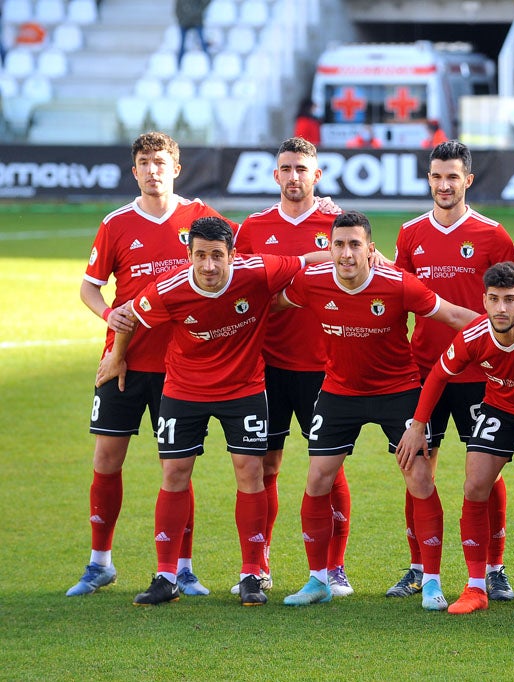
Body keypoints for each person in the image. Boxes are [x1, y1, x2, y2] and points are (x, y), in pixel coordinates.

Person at [96, 216, 329, 606]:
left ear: (233, 255)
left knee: (250, 471)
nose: (208, 265)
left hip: (243, 388)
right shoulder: (170, 288)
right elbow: (131, 315)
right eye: (200, 255)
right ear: (189, 255)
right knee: (174, 472)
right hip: (185, 388)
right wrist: (117, 356)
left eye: (217, 255)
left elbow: (308, 259)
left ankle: (251, 575)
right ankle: (166, 576)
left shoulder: (258, 271)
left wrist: (363, 257)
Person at [277, 210, 477, 610]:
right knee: (317, 479)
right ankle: (318, 580)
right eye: (338, 245)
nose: (346, 254)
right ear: (328, 248)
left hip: (397, 391)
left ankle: (431, 582)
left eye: (355, 245)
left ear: (371, 249)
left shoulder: (398, 283)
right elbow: (270, 304)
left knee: (420, 477)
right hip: (339, 391)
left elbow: (454, 315)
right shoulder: (311, 281)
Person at [69, 131, 236, 599]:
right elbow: (89, 287)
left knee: (176, 469)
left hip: (181, 369)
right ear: (134, 170)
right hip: (121, 363)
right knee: (106, 459)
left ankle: (183, 569)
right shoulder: (116, 223)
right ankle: (100, 562)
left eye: (160, 162)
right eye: (144, 162)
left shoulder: (201, 216)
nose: (152, 170)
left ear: (176, 168)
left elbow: (247, 249)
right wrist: (108, 314)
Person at [396, 262, 514, 618]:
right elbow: (438, 376)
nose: (501, 308)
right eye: (494, 299)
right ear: (484, 301)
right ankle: (476, 587)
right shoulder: (473, 335)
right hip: (501, 409)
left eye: (509, 299)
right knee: (475, 485)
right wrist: (417, 426)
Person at [390, 140, 514, 601]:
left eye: (452, 177)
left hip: (481, 375)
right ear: (429, 179)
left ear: (468, 180)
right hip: (425, 371)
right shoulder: (410, 234)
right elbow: (397, 297)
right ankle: (418, 568)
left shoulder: (493, 235)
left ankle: (495, 569)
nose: (444, 185)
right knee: (416, 467)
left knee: (487, 474)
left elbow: (512, 305)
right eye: (437, 177)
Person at [232, 136, 352, 598]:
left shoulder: (338, 224)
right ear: (275, 175)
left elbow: (365, 273)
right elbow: (242, 287)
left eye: (302, 168)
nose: (294, 176)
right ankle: (258, 565)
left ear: (316, 175)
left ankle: (334, 568)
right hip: (267, 366)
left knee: (329, 468)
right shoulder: (254, 227)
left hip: (326, 366)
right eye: (286, 168)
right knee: (266, 464)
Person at [174, 0, 211, 67]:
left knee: (203, 43)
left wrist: (198, 11)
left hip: (197, 21)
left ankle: (208, 62)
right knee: (182, 45)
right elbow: (177, 10)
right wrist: (181, 19)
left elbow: (206, 2)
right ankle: (179, 65)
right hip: (184, 22)